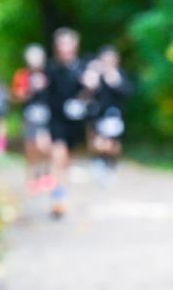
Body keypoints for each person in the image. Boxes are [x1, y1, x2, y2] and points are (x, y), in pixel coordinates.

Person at [45, 27, 96, 218]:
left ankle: (61, 193)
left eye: (68, 43)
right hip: (55, 119)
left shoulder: (82, 67)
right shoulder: (50, 68)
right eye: (61, 43)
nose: (65, 47)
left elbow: (90, 95)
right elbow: (45, 96)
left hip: (74, 121)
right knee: (57, 155)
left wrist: (90, 86)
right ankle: (57, 198)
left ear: (75, 45)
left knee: (66, 159)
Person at [84, 46, 132, 183]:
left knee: (111, 145)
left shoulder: (119, 75)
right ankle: (100, 162)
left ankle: (110, 165)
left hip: (114, 116)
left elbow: (126, 93)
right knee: (98, 143)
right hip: (97, 115)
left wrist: (114, 81)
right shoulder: (95, 74)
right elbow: (87, 92)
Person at [11, 44, 53, 194]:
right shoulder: (22, 75)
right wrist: (29, 89)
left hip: (46, 116)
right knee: (31, 147)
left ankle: (45, 175)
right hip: (29, 116)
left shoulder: (48, 74)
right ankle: (32, 178)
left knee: (45, 146)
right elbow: (16, 97)